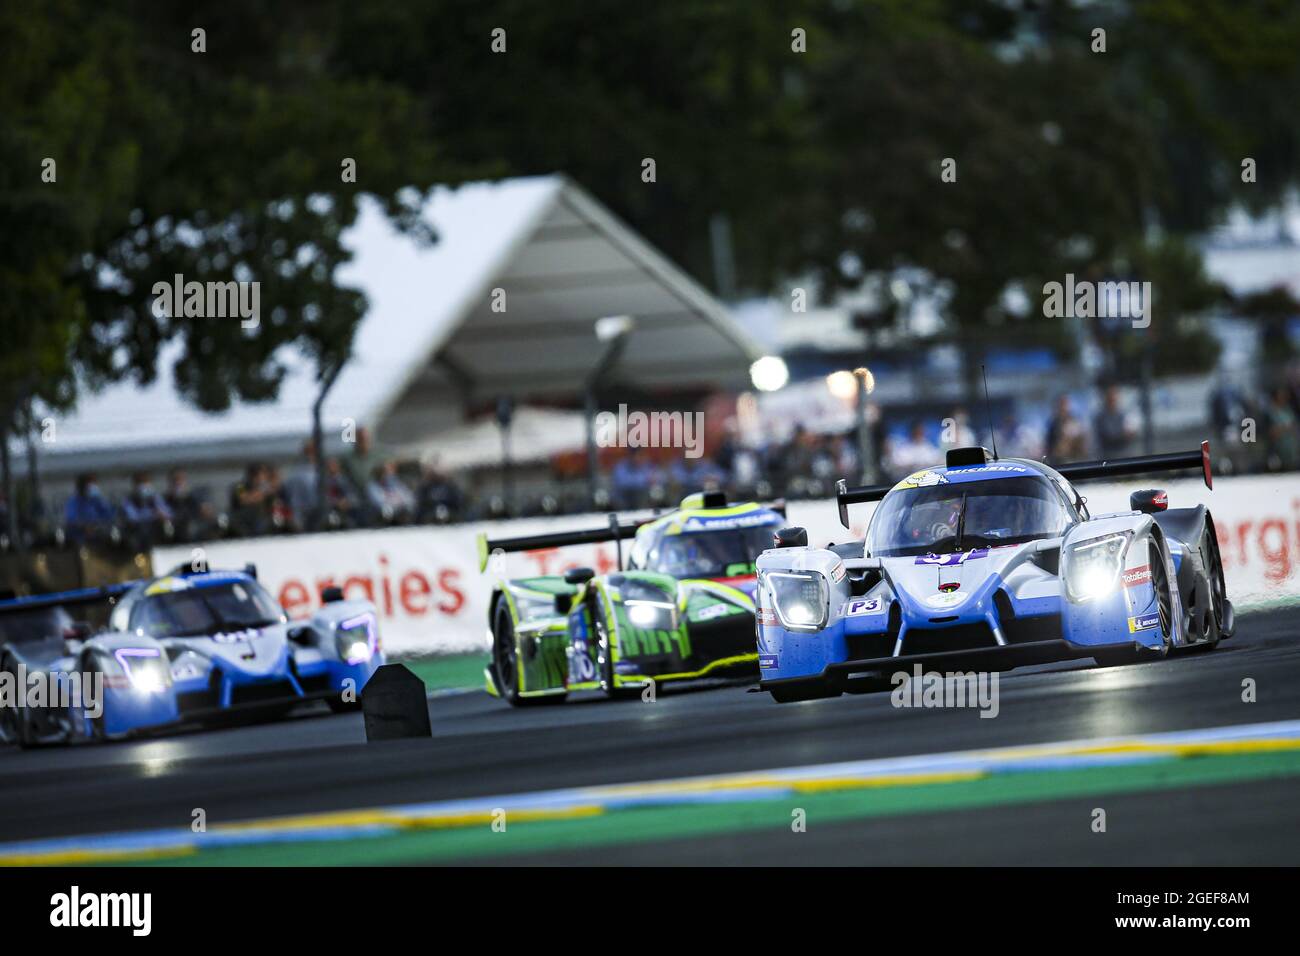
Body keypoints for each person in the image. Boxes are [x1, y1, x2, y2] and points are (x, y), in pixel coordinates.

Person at [1092, 385, 1137, 459]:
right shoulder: (1101, 417)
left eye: (1114, 398)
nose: (1113, 400)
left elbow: (1131, 431)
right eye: (1111, 398)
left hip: (1125, 455)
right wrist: (1124, 435)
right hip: (1108, 456)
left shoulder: (1123, 414)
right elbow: (1109, 436)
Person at [415, 457, 463, 523]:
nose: (437, 472)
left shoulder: (450, 486)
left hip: (450, 514)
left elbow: (457, 503)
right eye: (434, 469)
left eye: (439, 469)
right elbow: (420, 505)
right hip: (430, 516)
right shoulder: (425, 487)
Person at [1045, 395, 1089, 462]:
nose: (1064, 407)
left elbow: (1082, 442)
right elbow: (1052, 447)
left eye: (1065, 404)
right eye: (1062, 404)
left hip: (1076, 458)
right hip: (1060, 460)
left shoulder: (1074, 421)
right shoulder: (1053, 424)